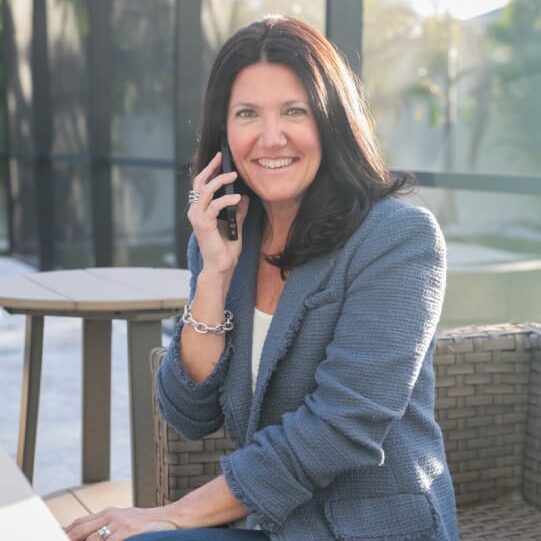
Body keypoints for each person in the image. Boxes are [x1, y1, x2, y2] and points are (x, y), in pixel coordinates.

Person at [66, 15, 459, 541]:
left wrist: (177, 511)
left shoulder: (398, 237)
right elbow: (188, 414)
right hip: (274, 523)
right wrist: (213, 275)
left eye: (294, 111)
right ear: (224, 131)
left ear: (330, 120)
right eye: (247, 113)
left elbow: (340, 430)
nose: (271, 138)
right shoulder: (229, 239)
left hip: (367, 528)